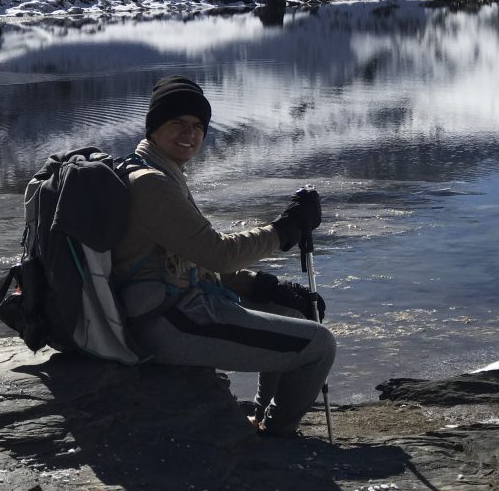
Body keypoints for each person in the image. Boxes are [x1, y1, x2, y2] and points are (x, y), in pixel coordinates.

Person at [112, 75, 336, 437]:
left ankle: (261, 419)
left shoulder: (159, 174)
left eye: (198, 126)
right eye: (177, 123)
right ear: (154, 127)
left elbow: (190, 259)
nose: (189, 134)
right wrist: (286, 230)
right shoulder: (150, 184)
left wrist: (261, 285)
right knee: (320, 346)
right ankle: (279, 439)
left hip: (172, 305)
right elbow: (218, 254)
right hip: (164, 323)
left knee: (293, 312)